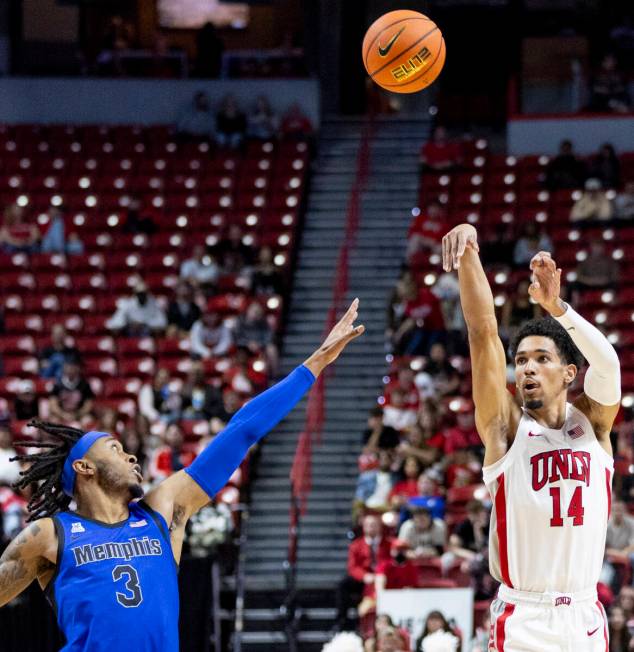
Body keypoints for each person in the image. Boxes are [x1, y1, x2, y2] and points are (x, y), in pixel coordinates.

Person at [0, 299, 364, 650]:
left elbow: (240, 431)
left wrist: (314, 364)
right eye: (115, 449)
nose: (131, 456)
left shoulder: (162, 511)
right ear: (84, 467)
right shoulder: (49, 534)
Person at [442, 223, 621, 650]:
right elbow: (483, 331)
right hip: (524, 617)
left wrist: (558, 308)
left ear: (569, 373)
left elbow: (609, 364)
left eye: (541, 358)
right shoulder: (505, 429)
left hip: (584, 614)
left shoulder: (593, 425)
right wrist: (469, 248)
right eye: (521, 360)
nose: (526, 368)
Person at [335, 514, 392, 632]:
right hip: (363, 579)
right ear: (364, 527)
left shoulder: (389, 544)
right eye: (368, 525)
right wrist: (364, 576)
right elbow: (352, 567)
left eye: (374, 525)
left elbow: (391, 561)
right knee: (343, 585)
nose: (371, 528)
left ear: (380, 527)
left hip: (384, 578)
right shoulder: (356, 545)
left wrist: (380, 574)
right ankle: (342, 621)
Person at [48, 359, 95, 426]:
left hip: (79, 414)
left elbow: (88, 404)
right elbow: (53, 404)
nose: (70, 370)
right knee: (53, 421)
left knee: (88, 420)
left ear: (77, 368)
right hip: (61, 414)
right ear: (64, 369)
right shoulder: (58, 384)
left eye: (72, 367)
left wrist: (78, 414)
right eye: (68, 367)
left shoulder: (84, 385)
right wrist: (63, 414)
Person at [500, 279, 541, 344]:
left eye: (525, 288)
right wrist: (511, 329)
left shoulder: (535, 306)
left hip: (527, 330)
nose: (523, 290)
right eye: (521, 288)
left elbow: (537, 322)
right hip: (511, 330)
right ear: (517, 288)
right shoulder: (510, 303)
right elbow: (505, 321)